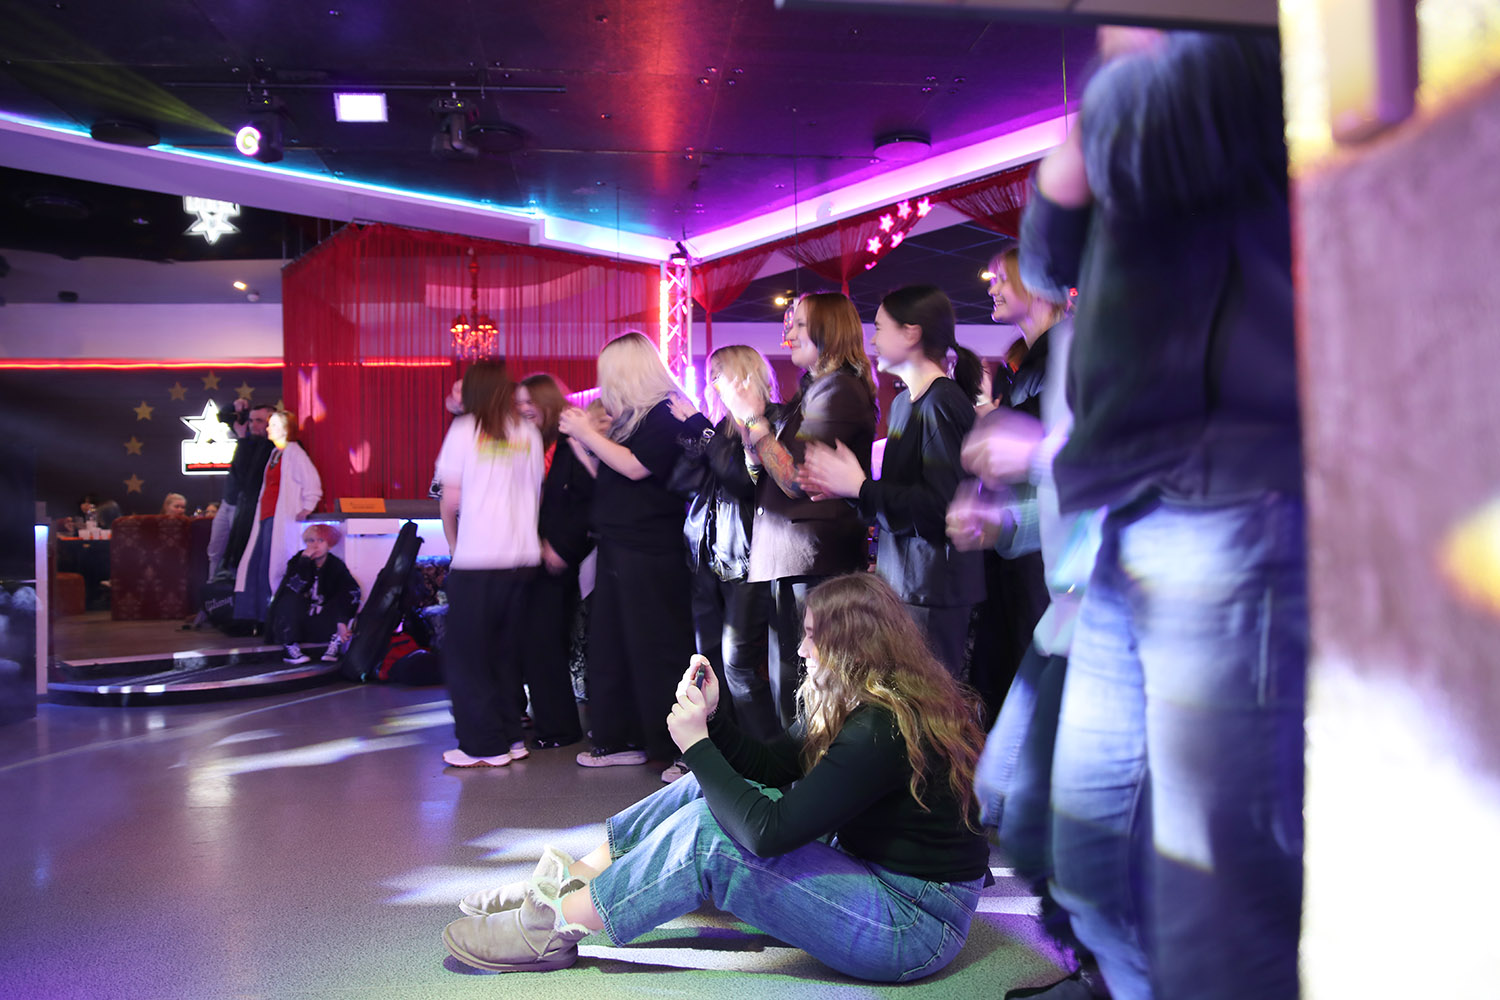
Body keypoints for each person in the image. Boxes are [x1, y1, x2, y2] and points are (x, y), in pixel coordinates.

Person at [1017, 28, 1306, 1000]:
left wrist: (1120, 80)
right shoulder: (1135, 101)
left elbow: (1128, 153)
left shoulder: (1229, 61)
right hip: (1136, 505)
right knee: (1092, 866)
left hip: (1228, 493)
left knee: (1212, 888)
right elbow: (1047, 259)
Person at [442, 572, 991, 981]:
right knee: (702, 788)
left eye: (812, 638)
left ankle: (554, 926)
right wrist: (713, 721)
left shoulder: (881, 727)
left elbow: (768, 834)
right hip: (875, 873)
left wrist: (696, 746)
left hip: (914, 923)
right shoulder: (861, 699)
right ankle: (572, 881)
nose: (802, 650)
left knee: (711, 836)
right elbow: (772, 767)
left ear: (851, 647)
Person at [947, 245, 1106, 997]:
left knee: (1048, 805)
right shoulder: (1078, 344)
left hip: (1121, 621)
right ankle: (1096, 963)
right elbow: (1077, 495)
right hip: (1071, 618)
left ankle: (1107, 970)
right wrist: (1006, 525)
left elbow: (1151, 470)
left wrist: (1037, 453)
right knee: (1007, 793)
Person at [800, 284, 984, 677]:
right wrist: (849, 489)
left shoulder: (941, 402)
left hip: (933, 589)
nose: (873, 339)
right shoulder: (904, 403)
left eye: (880, 328)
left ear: (911, 333)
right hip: (906, 583)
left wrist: (859, 488)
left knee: (930, 703)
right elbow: (901, 499)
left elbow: (941, 508)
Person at [716, 292, 878, 729]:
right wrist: (750, 426)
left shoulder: (840, 390)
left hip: (814, 559)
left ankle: (809, 768)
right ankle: (790, 766)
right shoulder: (814, 390)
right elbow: (763, 473)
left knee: (807, 685)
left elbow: (795, 479)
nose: (789, 332)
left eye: (800, 324)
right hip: (793, 557)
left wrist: (754, 421)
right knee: (788, 683)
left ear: (830, 331)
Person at [557, 332, 704, 777]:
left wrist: (586, 433)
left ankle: (683, 749)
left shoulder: (665, 412)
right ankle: (622, 738)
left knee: (658, 647)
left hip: (650, 549)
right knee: (613, 646)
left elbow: (636, 468)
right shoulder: (634, 420)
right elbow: (611, 473)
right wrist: (581, 442)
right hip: (619, 544)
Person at [435, 360, 545, 768]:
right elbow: (536, 489)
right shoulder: (528, 432)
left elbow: (451, 499)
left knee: (467, 657)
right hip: (523, 558)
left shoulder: (466, 429)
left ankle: (483, 745)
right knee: (504, 654)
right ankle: (511, 738)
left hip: (478, 559)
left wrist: (453, 545)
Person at [680, 345, 782, 741]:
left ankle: (765, 756)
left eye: (717, 375)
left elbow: (743, 480)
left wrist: (706, 434)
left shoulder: (770, 421)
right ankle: (722, 752)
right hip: (706, 557)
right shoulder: (718, 429)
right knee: (709, 667)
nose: (711, 384)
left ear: (744, 376)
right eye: (710, 376)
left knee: (739, 666)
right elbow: (680, 480)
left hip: (747, 561)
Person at [515, 373, 593, 750]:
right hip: (523, 557)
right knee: (529, 642)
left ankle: (559, 728)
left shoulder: (569, 443)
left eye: (530, 401)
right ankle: (538, 720)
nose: (523, 409)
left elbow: (586, 503)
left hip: (557, 558)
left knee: (545, 642)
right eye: (518, 403)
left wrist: (562, 548)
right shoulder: (524, 445)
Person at [233, 411, 322, 624]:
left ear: (285, 429)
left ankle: (272, 615)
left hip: (280, 517)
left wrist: (308, 506)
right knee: (258, 563)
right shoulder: (275, 454)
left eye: (273, 425)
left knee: (271, 564)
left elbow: (312, 482)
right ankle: (258, 615)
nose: (267, 429)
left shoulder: (295, 453)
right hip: (266, 515)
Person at [267, 523, 362, 665]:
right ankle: (290, 645)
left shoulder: (336, 565)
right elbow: (295, 587)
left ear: (329, 545)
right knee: (290, 599)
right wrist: (304, 562)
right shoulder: (297, 561)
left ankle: (335, 640)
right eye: (311, 541)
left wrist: (341, 621)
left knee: (345, 594)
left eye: (321, 541)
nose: (315, 545)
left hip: (322, 619)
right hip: (299, 619)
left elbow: (351, 591)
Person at [208, 401, 273, 582]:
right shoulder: (247, 437)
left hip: (245, 508)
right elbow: (222, 417)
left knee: (239, 553)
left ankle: (236, 593)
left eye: (259, 421)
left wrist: (243, 439)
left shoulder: (268, 445)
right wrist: (235, 408)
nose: (253, 425)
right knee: (214, 551)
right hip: (228, 502)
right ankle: (212, 589)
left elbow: (246, 474)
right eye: (251, 420)